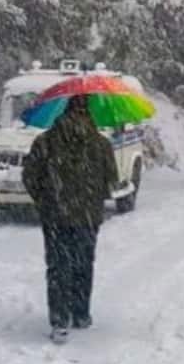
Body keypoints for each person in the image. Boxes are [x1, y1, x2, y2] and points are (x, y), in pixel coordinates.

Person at [21, 95, 118, 343]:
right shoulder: (100, 144)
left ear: (62, 112)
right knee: (83, 264)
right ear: (88, 113)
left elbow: (30, 176)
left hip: (55, 216)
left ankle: (59, 319)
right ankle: (81, 313)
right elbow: (112, 179)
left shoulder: (46, 141)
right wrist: (95, 197)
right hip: (87, 217)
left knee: (57, 267)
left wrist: (44, 200)